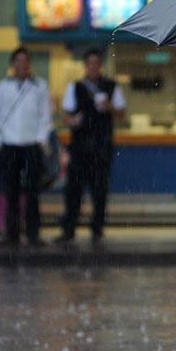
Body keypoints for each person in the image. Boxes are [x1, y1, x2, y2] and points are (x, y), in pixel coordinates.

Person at [55, 48, 127, 245]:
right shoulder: (75, 87)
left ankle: (97, 229)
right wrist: (74, 121)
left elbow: (122, 114)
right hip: (79, 147)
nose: (93, 67)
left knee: (100, 191)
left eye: (97, 63)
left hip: (102, 147)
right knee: (74, 190)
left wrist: (109, 107)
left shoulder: (112, 87)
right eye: (90, 63)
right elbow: (67, 116)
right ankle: (69, 229)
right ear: (85, 66)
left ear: (100, 66)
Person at [0, 46, 52, 248]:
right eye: (18, 61)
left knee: (33, 192)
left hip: (32, 145)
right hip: (9, 145)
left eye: (25, 61)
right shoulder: (2, 87)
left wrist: (42, 139)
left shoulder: (40, 87)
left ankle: (33, 234)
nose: (22, 65)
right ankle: (12, 234)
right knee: (11, 192)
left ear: (29, 64)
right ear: (12, 65)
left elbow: (45, 116)